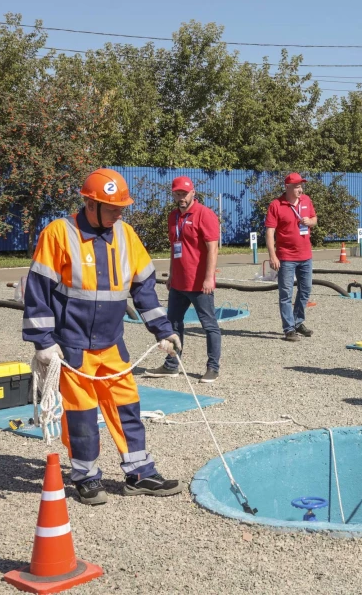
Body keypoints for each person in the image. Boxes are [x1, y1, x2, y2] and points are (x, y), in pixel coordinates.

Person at [22, 168, 184, 506]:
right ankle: (85, 476)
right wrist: (44, 343)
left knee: (127, 406)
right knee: (81, 415)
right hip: (72, 346)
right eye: (112, 208)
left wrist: (163, 330)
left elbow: (145, 289)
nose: (119, 213)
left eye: (121, 208)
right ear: (89, 204)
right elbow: (38, 291)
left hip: (112, 344)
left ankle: (139, 472)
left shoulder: (126, 235)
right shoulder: (59, 234)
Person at [145, 176, 221, 383]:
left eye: (184, 194)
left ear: (193, 193)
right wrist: (171, 274)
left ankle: (213, 367)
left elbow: (212, 249)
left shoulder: (205, 215)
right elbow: (174, 247)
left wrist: (209, 278)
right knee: (173, 325)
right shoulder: (173, 217)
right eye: (177, 194)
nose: (181, 198)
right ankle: (171, 365)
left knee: (209, 325)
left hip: (199, 283)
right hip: (178, 282)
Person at [266, 172, 317, 342]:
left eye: (301, 186)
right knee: (286, 293)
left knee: (306, 290)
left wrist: (310, 221)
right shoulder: (276, 205)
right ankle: (288, 328)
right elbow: (270, 232)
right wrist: (273, 256)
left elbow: (314, 219)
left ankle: (298, 322)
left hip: (306, 255)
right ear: (287, 187)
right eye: (296, 186)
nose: (299, 189)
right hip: (286, 256)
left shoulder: (306, 200)